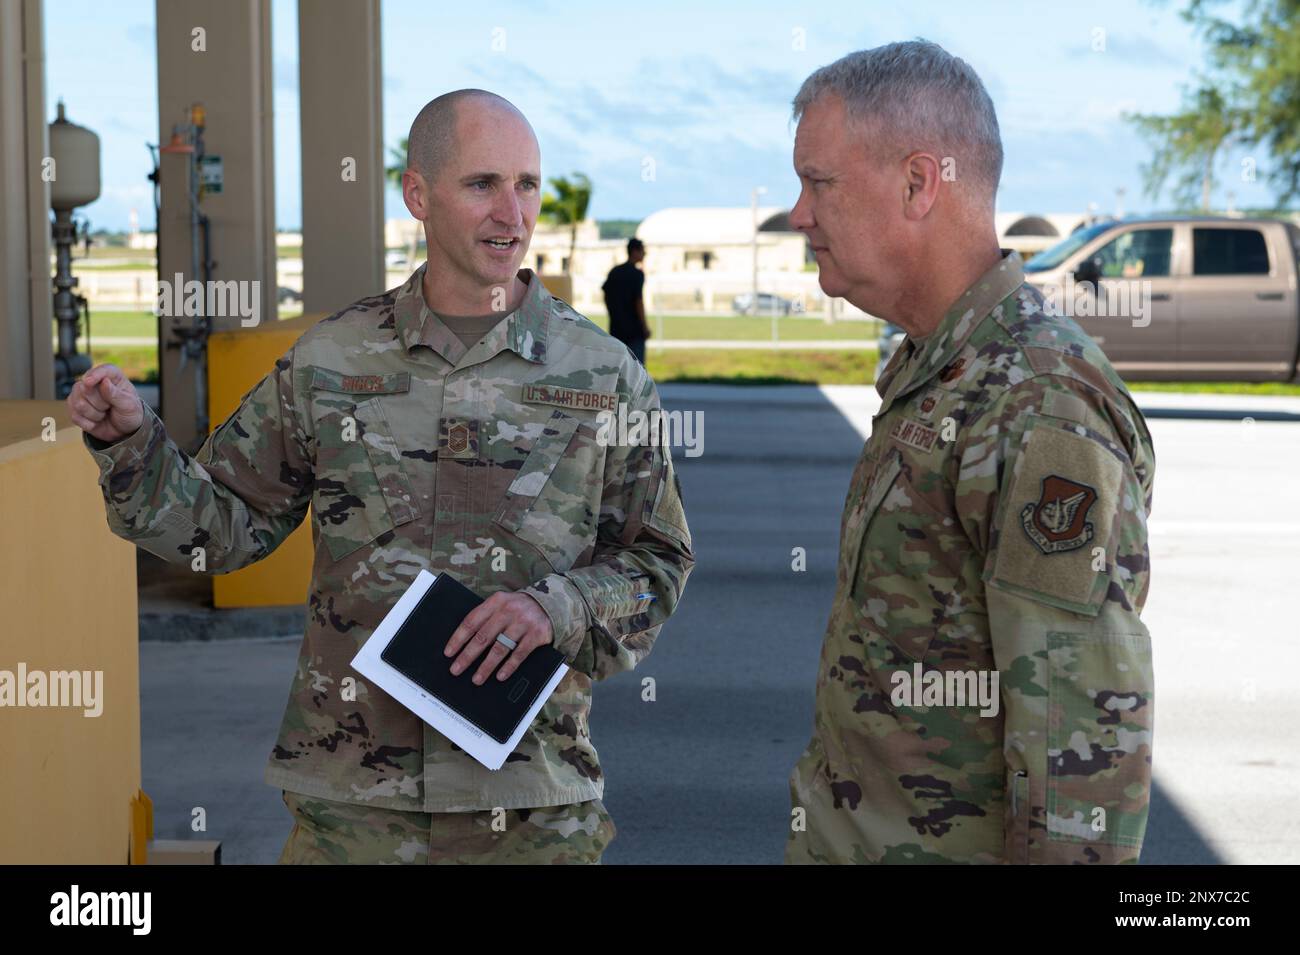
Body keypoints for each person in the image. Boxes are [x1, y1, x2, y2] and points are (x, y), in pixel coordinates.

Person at [66, 89, 694, 864]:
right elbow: (221, 527)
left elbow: (656, 562)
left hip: (531, 809)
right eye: (482, 184)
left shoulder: (605, 375)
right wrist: (133, 443)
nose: (513, 212)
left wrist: (556, 607)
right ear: (419, 195)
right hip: (351, 810)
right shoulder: (331, 362)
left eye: (527, 183)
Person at [784, 41, 1155, 864]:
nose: (799, 214)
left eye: (819, 182)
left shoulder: (1036, 400)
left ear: (919, 183)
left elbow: (1078, 761)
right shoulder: (938, 365)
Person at [601, 238, 651, 363]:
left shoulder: (615, 271)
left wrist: (613, 313)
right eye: (642, 251)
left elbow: (606, 294)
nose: (644, 254)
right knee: (637, 369)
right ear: (634, 251)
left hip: (617, 328)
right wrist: (645, 327)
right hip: (634, 331)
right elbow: (638, 301)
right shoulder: (637, 274)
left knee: (618, 368)